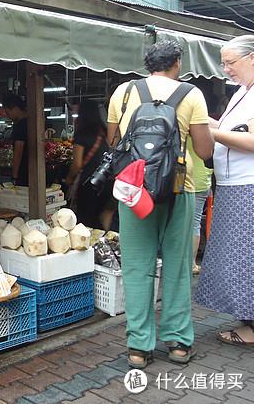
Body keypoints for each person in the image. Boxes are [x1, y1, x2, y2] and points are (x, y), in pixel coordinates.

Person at [107, 41, 213, 369]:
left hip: (134, 191)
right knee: (177, 267)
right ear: (177, 63)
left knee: (137, 268)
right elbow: (205, 150)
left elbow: (114, 142)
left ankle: (139, 348)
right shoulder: (191, 94)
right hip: (180, 190)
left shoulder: (123, 93)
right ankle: (179, 343)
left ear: (147, 63)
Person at [195, 35, 254, 346]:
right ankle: (247, 319)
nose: (226, 69)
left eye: (231, 62)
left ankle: (252, 327)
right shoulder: (241, 94)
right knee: (236, 256)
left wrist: (214, 131)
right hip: (235, 186)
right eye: (224, 63)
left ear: (253, 58)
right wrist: (207, 122)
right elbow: (233, 130)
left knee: (246, 256)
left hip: (249, 186)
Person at [64, 100, 110, 229]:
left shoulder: (82, 134)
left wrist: (68, 179)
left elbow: (77, 164)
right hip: (104, 183)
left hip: (87, 185)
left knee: (85, 221)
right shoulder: (105, 132)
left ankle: (86, 247)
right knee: (99, 220)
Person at [186, 138, 212, 275]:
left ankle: (186, 263)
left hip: (185, 177)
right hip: (202, 178)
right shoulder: (204, 125)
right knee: (194, 223)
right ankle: (191, 263)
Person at [2, 94, 29, 186]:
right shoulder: (31, 121)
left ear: (16, 108)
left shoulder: (20, 126)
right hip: (33, 168)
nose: (8, 115)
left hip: (24, 170)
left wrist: (14, 175)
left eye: (8, 111)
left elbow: (18, 151)